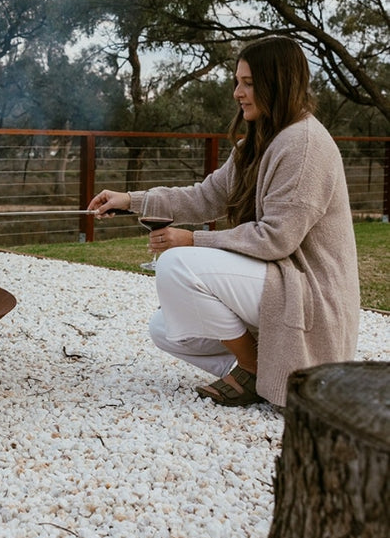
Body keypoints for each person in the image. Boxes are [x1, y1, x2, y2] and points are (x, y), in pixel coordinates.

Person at [88, 36, 360, 407]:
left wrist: (192, 241)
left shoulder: (305, 145)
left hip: (307, 293)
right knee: (166, 328)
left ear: (278, 83)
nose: (237, 93)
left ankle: (254, 369)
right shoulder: (258, 143)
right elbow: (203, 197)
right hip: (278, 281)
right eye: (237, 82)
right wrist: (130, 200)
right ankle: (266, 373)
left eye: (248, 83)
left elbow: (276, 239)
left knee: (176, 265)